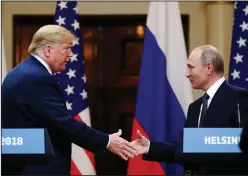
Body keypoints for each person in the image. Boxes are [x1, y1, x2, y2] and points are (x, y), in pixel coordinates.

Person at [1, 25, 137, 175]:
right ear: (48, 50)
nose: (71, 55)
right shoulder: (35, 77)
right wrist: (107, 141)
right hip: (36, 168)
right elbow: (62, 122)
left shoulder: (25, 71)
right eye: (66, 48)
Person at [130, 45, 248, 175]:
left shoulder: (238, 98)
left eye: (191, 67)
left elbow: (242, 144)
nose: (187, 74)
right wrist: (149, 147)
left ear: (209, 68)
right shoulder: (195, 107)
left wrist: (203, 147)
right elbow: (185, 148)